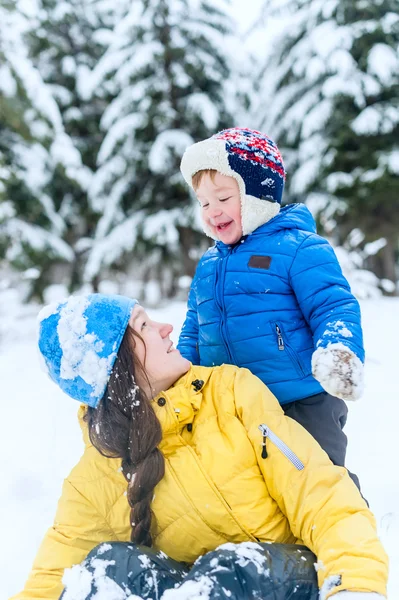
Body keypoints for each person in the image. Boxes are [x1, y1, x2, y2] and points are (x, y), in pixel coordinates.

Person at [12, 293, 387, 600]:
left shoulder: (230, 393)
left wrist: (356, 584)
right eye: (144, 326)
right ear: (118, 366)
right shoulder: (97, 473)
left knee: (228, 570)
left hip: (284, 579)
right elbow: (51, 580)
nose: (166, 327)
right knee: (109, 567)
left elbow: (320, 493)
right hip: (198, 590)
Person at [178, 127, 365, 484]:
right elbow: (194, 325)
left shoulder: (298, 248)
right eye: (203, 202)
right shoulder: (209, 263)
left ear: (256, 194)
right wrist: (182, 372)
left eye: (223, 198)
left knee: (318, 483)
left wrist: (338, 350)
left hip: (301, 401)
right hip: (234, 407)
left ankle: (347, 535)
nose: (212, 211)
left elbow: (333, 306)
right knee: (256, 491)